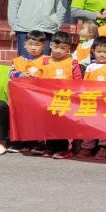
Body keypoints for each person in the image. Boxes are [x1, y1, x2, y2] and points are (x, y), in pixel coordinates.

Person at [39, 31, 82, 159]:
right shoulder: (44, 61)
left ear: (68, 48)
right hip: (48, 99)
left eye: (63, 48)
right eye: (56, 47)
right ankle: (50, 146)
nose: (59, 51)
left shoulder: (72, 62)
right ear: (51, 45)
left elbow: (78, 81)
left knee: (62, 124)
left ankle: (63, 148)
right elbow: (38, 78)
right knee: (49, 123)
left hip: (65, 100)